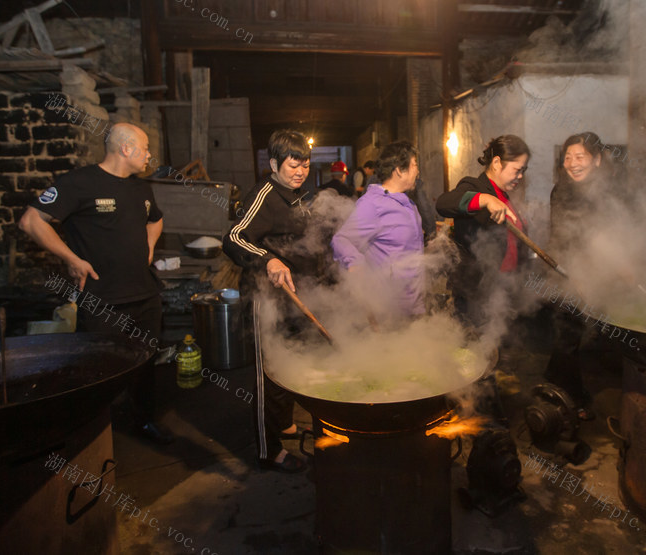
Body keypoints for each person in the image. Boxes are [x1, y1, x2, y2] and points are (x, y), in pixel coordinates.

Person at [18, 122, 172, 444]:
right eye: (144, 148)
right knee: (99, 370)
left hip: (145, 295)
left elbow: (155, 219)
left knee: (144, 364)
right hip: (102, 299)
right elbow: (31, 221)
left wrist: (149, 247)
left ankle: (144, 420)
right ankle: (93, 434)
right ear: (126, 148)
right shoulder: (79, 183)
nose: (148, 155)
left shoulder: (141, 188)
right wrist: (71, 258)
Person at [222, 129, 315, 474]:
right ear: (274, 163)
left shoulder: (296, 195)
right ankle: (268, 450)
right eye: (294, 164)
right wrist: (268, 259)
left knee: (288, 367)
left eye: (305, 164)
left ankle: (286, 425)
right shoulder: (264, 194)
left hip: (293, 297)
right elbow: (233, 238)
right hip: (267, 297)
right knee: (268, 375)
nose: (300, 171)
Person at [542, 132, 618, 421]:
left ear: (597, 160)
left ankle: (556, 379)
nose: (572, 163)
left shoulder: (607, 192)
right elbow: (562, 237)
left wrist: (621, 261)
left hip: (599, 272)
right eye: (567, 157)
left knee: (594, 335)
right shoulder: (561, 191)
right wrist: (575, 274)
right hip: (567, 271)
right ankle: (569, 399)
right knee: (567, 334)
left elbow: (611, 232)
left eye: (580, 157)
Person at [435, 135, 531, 325]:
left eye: (524, 171)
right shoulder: (474, 186)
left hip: (505, 288)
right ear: (497, 163)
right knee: (476, 349)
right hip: (476, 293)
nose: (520, 176)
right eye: (517, 170)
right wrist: (485, 200)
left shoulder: (505, 196)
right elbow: (443, 203)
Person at [331, 142, 424, 318]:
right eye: (414, 165)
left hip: (414, 306)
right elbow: (341, 239)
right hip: (388, 310)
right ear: (399, 170)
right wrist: (355, 262)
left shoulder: (410, 205)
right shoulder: (372, 204)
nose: (417, 171)